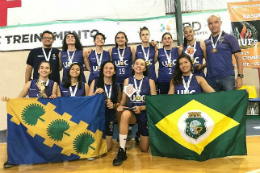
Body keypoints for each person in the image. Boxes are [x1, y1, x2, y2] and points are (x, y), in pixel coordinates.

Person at [113, 59, 157, 166]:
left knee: (144, 149)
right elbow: (124, 100)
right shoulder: (127, 80)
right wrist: (120, 106)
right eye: (137, 63)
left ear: (145, 68)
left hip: (144, 113)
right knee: (124, 114)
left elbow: (154, 103)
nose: (139, 66)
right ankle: (122, 150)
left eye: (142, 64)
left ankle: (139, 134)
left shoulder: (150, 82)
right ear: (133, 67)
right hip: (131, 111)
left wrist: (142, 108)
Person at [204, 14, 243, 91]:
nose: (213, 25)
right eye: (210, 23)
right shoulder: (206, 42)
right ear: (208, 25)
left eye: (216, 22)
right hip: (210, 79)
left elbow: (239, 57)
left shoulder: (230, 38)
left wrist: (240, 76)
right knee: (213, 102)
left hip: (227, 78)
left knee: (230, 102)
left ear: (220, 23)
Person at [109, 31, 135, 141]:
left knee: (126, 103)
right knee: (118, 104)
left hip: (127, 81)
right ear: (115, 40)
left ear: (125, 39)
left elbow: (133, 62)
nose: (120, 39)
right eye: (118, 38)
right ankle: (120, 128)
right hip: (116, 81)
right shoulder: (111, 51)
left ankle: (128, 128)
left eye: (122, 37)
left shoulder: (130, 50)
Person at [88, 61, 120, 152]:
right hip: (97, 115)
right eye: (106, 68)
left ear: (114, 72)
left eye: (111, 68)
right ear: (102, 70)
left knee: (108, 148)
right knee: (95, 146)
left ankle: (108, 141)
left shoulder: (117, 86)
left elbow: (119, 103)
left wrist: (113, 105)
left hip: (110, 116)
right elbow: (88, 100)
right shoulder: (95, 82)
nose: (108, 70)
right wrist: (95, 93)